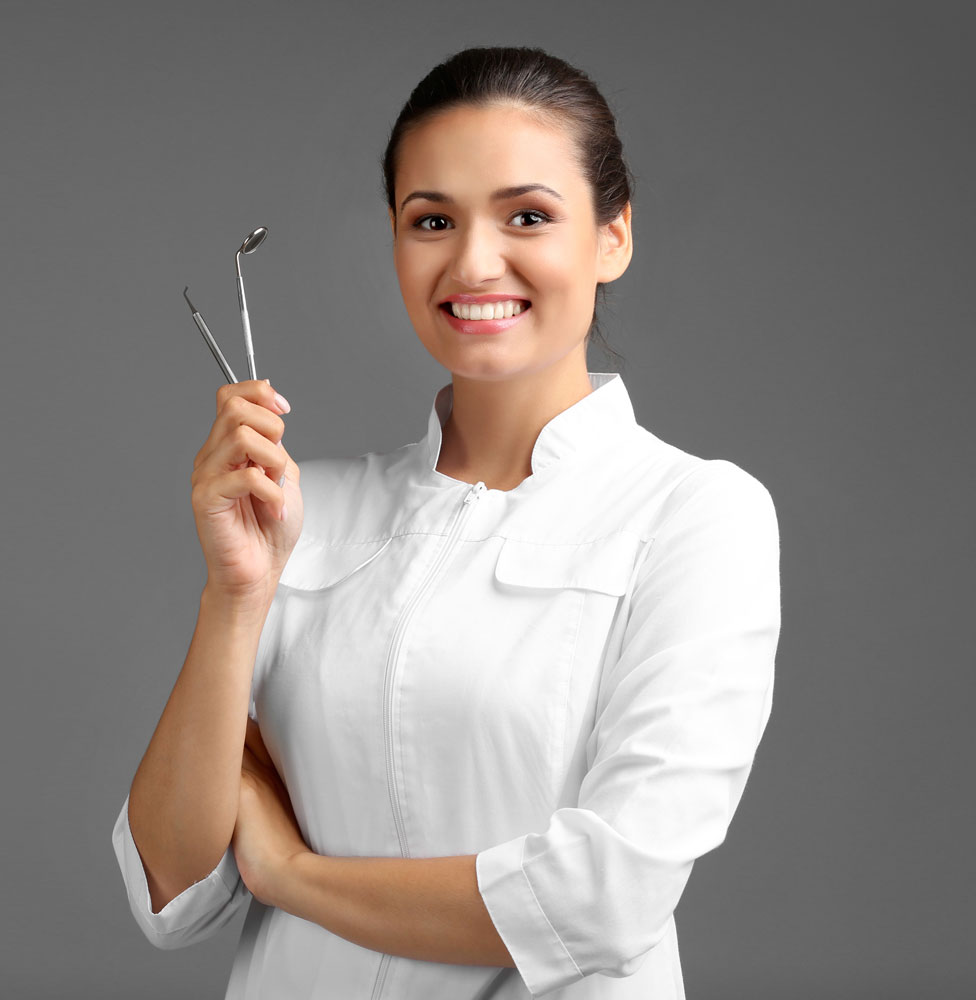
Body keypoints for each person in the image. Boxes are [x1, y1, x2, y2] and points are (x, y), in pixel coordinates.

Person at [111, 46, 781, 999]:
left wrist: (297, 875)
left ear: (613, 237)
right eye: (432, 219)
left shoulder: (695, 515)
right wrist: (237, 593)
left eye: (529, 216)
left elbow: (601, 899)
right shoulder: (309, 510)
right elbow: (171, 891)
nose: (473, 260)